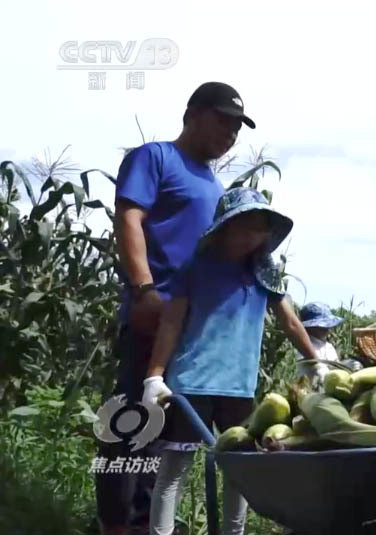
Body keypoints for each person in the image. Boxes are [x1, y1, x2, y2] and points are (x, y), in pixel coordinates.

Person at [97, 81, 256, 535]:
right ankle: (115, 526)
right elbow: (129, 218)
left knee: (165, 440)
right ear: (192, 114)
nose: (230, 135)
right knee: (129, 430)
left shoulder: (215, 185)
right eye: (223, 122)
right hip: (154, 316)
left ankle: (148, 525)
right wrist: (144, 289)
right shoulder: (156, 158)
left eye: (236, 128)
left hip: (192, 336)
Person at [140, 188, 320, 535]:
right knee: (175, 470)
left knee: (240, 471)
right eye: (247, 225)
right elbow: (171, 322)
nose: (254, 235)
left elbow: (290, 321)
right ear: (226, 226)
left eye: (260, 228)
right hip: (192, 382)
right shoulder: (195, 268)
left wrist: (316, 362)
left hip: (239, 386)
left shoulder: (265, 274)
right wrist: (154, 376)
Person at [294, 302, 345, 387]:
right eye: (322, 326)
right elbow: (317, 369)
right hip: (311, 392)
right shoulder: (305, 347)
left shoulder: (328, 346)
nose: (327, 328)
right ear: (310, 327)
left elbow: (336, 367)